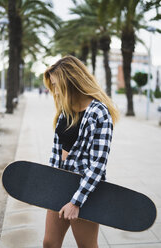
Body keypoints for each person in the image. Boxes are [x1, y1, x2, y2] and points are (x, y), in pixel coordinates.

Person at [43, 55, 120, 248]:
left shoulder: (99, 112)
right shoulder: (64, 110)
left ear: (71, 82)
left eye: (57, 84)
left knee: (86, 245)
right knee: (49, 243)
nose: (55, 90)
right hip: (60, 185)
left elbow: (98, 164)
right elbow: (56, 152)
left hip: (85, 190)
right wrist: (48, 187)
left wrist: (76, 201)